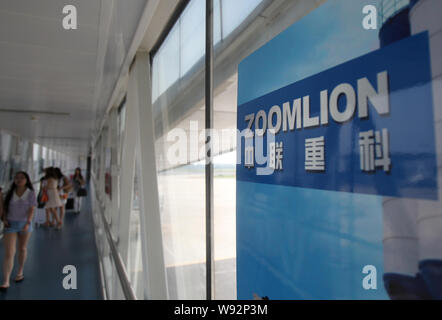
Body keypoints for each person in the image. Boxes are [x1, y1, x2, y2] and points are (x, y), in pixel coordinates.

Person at [0, 171, 37, 290]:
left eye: (22, 177)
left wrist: (28, 222)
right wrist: (4, 219)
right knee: (9, 252)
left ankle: (20, 271)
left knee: (22, 248)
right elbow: (4, 207)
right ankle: (6, 280)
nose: (19, 179)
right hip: (10, 224)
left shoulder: (30, 193)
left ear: (27, 180)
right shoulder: (9, 193)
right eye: (16, 178)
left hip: (25, 224)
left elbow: (32, 209)